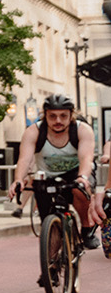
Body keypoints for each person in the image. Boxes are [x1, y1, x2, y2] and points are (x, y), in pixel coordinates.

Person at [9, 94, 106, 249]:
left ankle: (86, 229)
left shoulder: (82, 130)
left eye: (63, 116)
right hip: (47, 176)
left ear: (71, 115)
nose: (58, 121)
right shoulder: (34, 132)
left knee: (79, 189)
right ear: (45, 115)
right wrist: (19, 179)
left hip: (76, 173)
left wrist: (82, 177)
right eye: (52, 116)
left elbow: (86, 158)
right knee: (48, 227)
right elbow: (24, 159)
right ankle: (51, 260)